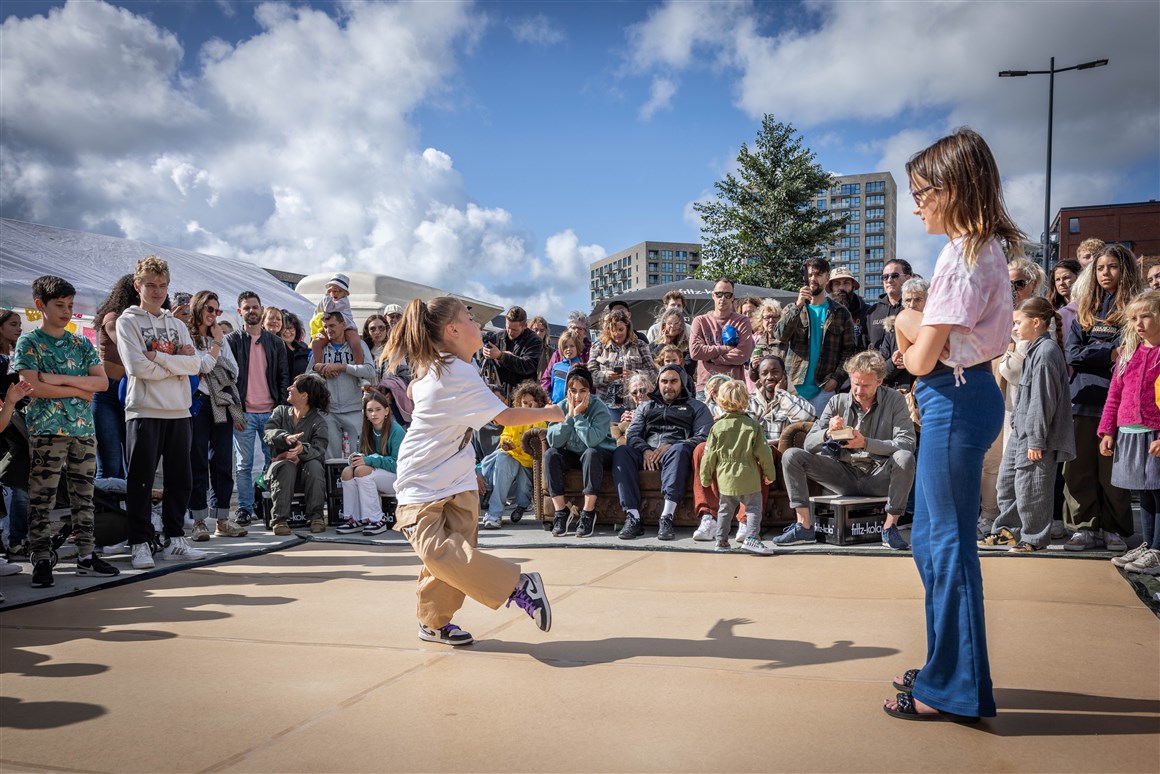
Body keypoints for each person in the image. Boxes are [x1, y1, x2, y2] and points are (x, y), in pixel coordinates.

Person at [887, 127, 1023, 722]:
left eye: (921, 192)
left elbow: (919, 361)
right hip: (967, 392)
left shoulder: (962, 255)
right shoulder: (982, 249)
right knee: (936, 543)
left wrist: (907, 324)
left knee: (945, 547)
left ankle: (953, 686)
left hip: (952, 397)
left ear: (953, 189)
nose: (915, 204)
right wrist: (916, 331)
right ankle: (952, 673)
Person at [384, 296, 562, 646]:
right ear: (452, 330)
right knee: (441, 555)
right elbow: (507, 418)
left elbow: (421, 386)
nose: (477, 322)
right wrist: (553, 412)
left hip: (458, 479)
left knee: (449, 563)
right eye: (469, 317)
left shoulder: (448, 368)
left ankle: (433, 624)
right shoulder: (456, 372)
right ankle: (518, 585)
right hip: (423, 482)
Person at [14, 276, 116, 587]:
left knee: (84, 497)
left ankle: (86, 556)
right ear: (40, 305)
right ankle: (42, 558)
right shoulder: (29, 342)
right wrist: (77, 389)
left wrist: (56, 380)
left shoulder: (81, 343)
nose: (67, 311)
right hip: (47, 431)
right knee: (42, 498)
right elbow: (33, 387)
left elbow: (101, 384)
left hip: (82, 430)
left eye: (70, 305)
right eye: (59, 305)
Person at [116, 256, 207, 569]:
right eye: (151, 285)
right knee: (140, 481)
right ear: (137, 285)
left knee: (181, 479)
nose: (157, 292)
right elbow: (135, 367)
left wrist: (156, 355)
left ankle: (175, 540)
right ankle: (140, 543)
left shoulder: (178, 325)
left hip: (179, 411)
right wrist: (174, 363)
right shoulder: (127, 321)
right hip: (143, 410)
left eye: (163, 286)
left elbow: (196, 365)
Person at [774, 351, 915, 551]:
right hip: (843, 474)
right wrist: (827, 433)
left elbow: (907, 443)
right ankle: (803, 525)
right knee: (792, 456)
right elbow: (809, 444)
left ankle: (890, 527)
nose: (858, 390)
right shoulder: (837, 401)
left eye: (865, 385)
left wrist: (865, 443)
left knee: (905, 457)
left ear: (880, 381)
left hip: (879, 476)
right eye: (855, 383)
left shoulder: (895, 400)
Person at [981, 297, 1075, 552]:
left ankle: (1034, 538)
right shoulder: (1035, 348)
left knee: (1032, 487)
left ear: (1036, 322)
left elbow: (1042, 401)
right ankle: (1008, 531)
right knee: (1007, 482)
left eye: (1018, 322)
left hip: (1035, 435)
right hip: (1021, 430)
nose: (1015, 328)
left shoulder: (1046, 352)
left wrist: (1036, 440)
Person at [1063, 244, 1139, 552]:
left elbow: (1130, 353)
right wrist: (1107, 351)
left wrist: (1093, 352)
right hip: (1081, 398)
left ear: (1125, 270)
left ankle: (1113, 528)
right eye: (1100, 268)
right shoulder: (1083, 309)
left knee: (1113, 473)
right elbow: (1072, 354)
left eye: (1112, 267)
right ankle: (1083, 527)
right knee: (1078, 470)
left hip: (1118, 401)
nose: (1106, 273)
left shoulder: (1133, 309)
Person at [612, 364, 712, 541]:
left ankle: (666, 517)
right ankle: (633, 516)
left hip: (676, 451)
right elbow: (633, 434)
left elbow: (703, 436)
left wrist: (671, 445)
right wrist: (645, 450)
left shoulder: (696, 407)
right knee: (622, 452)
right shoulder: (647, 407)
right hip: (647, 451)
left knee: (679, 450)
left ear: (682, 383)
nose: (668, 385)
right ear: (658, 383)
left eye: (673, 381)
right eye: (664, 381)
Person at [1101, 290, 1160, 574]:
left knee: (1159, 492)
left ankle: (1158, 550)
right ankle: (1148, 544)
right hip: (1130, 431)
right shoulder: (1128, 353)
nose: (1139, 323)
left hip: (1155, 433)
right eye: (1134, 318)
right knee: (1146, 492)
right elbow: (1115, 393)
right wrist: (1108, 430)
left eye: (1146, 316)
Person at [184, 291, 248, 542]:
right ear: (198, 307)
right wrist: (216, 349)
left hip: (220, 401)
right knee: (197, 460)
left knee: (223, 460)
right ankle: (199, 520)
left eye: (217, 310)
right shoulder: (188, 335)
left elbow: (234, 370)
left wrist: (215, 352)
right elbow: (201, 367)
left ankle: (222, 519)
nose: (213, 314)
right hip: (197, 402)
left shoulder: (218, 336)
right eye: (210, 309)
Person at [226, 291, 289, 526]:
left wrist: (281, 411)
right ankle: (244, 507)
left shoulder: (276, 343)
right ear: (239, 311)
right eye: (247, 307)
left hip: (271, 412)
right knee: (243, 464)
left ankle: (266, 503)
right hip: (244, 412)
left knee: (271, 461)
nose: (252, 311)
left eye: (255, 307)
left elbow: (283, 379)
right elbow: (227, 380)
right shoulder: (231, 341)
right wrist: (235, 410)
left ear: (261, 309)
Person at [699, 379, 777, 555]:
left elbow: (709, 455)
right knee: (753, 508)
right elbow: (764, 453)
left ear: (720, 401)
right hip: (749, 476)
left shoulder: (717, 427)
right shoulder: (753, 425)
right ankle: (752, 539)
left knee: (725, 510)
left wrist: (704, 477)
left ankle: (721, 541)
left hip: (726, 478)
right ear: (746, 400)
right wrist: (769, 474)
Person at [543, 365, 616, 538]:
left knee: (591, 452)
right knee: (551, 454)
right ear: (567, 390)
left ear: (589, 391)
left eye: (582, 391)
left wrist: (577, 415)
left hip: (600, 453)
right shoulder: (559, 407)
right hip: (572, 454)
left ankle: (588, 512)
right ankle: (561, 512)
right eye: (573, 390)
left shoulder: (600, 408)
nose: (577, 396)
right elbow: (554, 441)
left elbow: (591, 440)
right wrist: (569, 416)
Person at [777, 259, 856, 414]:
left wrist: (836, 379)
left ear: (827, 279)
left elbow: (849, 352)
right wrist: (798, 306)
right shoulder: (792, 309)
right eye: (810, 274)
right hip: (793, 388)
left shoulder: (841, 313)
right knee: (790, 436)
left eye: (818, 274)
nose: (813, 278)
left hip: (824, 390)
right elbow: (780, 336)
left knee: (820, 437)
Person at [264, 374, 331, 536]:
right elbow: (268, 432)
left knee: (315, 465)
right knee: (286, 466)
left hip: (306, 478)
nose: (289, 388)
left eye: (293, 386)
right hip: (280, 475)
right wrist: (285, 437)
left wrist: (302, 450)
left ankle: (316, 518)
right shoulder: (280, 411)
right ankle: (279, 520)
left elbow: (319, 450)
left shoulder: (319, 422)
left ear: (304, 395)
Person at [479, 381, 549, 530]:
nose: (528, 406)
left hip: (525, 463)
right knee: (502, 457)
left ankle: (493, 509)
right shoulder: (514, 416)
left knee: (500, 458)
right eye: (524, 403)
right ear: (519, 402)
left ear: (539, 403)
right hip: (509, 457)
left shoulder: (541, 421)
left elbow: (531, 455)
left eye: (532, 403)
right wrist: (506, 442)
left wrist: (514, 449)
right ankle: (495, 512)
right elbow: (505, 435)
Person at [336, 390, 405, 536]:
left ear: (386, 411)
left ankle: (376, 520)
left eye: (378, 409)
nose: (374, 414)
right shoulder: (366, 432)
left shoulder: (397, 431)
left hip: (397, 477)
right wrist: (354, 459)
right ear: (365, 414)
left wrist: (368, 460)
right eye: (370, 410)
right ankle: (353, 518)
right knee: (347, 471)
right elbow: (362, 456)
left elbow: (399, 465)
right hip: (375, 475)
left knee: (361, 471)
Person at [90, 274, 138, 482]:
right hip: (107, 392)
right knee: (110, 463)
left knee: (134, 461)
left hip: (132, 392)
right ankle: (106, 513)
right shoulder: (113, 317)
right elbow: (123, 341)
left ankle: (129, 513)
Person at [312, 311, 376, 459]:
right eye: (326, 327)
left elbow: (370, 371)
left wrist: (342, 367)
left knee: (357, 456)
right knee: (330, 458)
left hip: (353, 409)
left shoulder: (358, 345)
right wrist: (321, 371)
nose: (329, 330)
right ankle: (333, 483)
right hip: (328, 411)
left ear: (343, 324)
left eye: (332, 325)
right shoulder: (321, 347)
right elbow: (309, 374)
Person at [0, 309, 32, 559]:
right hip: (8, 429)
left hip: (16, 427)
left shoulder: (11, 356)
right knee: (16, 484)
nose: (19, 329)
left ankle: (15, 540)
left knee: (20, 483)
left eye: (20, 324)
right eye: (13, 324)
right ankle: (14, 540)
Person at [689, 279, 755, 400]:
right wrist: (725, 349)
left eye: (727, 295)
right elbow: (695, 352)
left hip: (734, 388)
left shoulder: (742, 321)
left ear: (733, 297)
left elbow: (742, 355)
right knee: (706, 419)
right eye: (719, 294)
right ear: (713, 295)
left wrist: (711, 357)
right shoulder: (700, 321)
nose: (723, 298)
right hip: (706, 388)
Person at [588, 307, 657, 421]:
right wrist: (605, 376)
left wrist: (634, 375)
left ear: (627, 327)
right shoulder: (598, 347)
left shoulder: (640, 345)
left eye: (621, 329)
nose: (617, 334)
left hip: (635, 404)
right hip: (607, 404)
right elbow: (589, 376)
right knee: (613, 436)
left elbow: (654, 373)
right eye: (613, 330)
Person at [480, 306, 544, 400]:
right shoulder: (497, 337)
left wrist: (501, 356)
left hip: (522, 396)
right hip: (500, 394)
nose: (510, 332)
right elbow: (482, 364)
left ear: (525, 326)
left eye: (514, 330)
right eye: (508, 327)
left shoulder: (534, 341)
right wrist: (486, 353)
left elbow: (528, 366)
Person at [880, 278, 928, 389]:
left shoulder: (936, 329)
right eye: (908, 300)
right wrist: (893, 362)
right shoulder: (892, 333)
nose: (912, 305)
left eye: (917, 300)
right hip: (897, 399)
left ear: (927, 301)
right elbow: (879, 373)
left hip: (926, 394)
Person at [310, 273, 364, 366]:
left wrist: (327, 294)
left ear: (345, 293)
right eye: (333, 290)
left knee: (355, 342)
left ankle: (360, 372)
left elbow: (329, 310)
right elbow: (316, 314)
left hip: (348, 328)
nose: (335, 293)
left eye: (339, 291)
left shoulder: (344, 301)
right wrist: (318, 328)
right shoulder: (324, 299)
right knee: (316, 343)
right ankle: (318, 368)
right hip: (328, 327)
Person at [868, 259, 915, 354]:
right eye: (885, 277)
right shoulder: (871, 312)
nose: (889, 280)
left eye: (895, 276)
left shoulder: (915, 309)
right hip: (875, 367)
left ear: (908, 278)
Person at [827, 268, 872, 352]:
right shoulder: (823, 311)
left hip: (858, 363)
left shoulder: (868, 312)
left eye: (846, 283)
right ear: (831, 287)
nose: (842, 287)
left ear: (853, 286)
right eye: (837, 284)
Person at [650, 309, 696, 383]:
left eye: (676, 323)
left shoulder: (688, 345)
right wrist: (664, 345)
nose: (672, 326)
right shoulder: (654, 345)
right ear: (664, 325)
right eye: (669, 323)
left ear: (681, 325)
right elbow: (651, 363)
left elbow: (689, 368)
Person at [541, 330, 583, 403]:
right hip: (555, 405)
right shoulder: (556, 367)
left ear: (577, 347)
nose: (568, 349)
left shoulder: (581, 368)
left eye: (572, 346)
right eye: (565, 347)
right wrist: (547, 397)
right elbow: (549, 383)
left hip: (573, 407)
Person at [751, 299, 784, 365]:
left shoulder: (785, 340)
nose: (771, 320)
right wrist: (753, 367)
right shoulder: (759, 342)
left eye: (774, 317)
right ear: (761, 320)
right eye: (767, 317)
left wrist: (764, 362)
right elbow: (753, 374)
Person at [280, 310, 310, 381]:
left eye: (290, 328)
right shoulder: (273, 351)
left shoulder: (305, 350)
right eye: (283, 328)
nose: (287, 331)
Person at [529, 315, 553, 380]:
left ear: (546, 333)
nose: (538, 333)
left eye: (542, 330)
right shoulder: (523, 349)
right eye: (535, 330)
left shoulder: (552, 353)